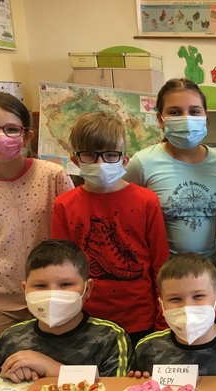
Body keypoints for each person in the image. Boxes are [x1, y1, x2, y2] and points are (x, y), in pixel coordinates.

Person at [52, 112, 170, 347]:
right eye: (89, 155)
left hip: (140, 318)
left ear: (124, 160)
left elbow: (160, 263)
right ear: (76, 160)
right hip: (85, 320)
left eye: (110, 155)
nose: (100, 163)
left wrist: (163, 317)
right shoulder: (64, 205)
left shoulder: (146, 201)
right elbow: (60, 270)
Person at [0, 92, 73, 333]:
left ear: (27, 135)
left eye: (12, 129)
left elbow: (74, 239)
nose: (1, 136)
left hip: (52, 298)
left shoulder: (53, 176)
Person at [0, 240, 132, 381]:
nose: (52, 294)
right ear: (25, 289)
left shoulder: (109, 338)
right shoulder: (11, 338)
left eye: (65, 284)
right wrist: (4, 379)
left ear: (88, 289)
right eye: (41, 286)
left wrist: (51, 369)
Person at [124, 78, 216, 264]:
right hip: (163, 272)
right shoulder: (141, 164)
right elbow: (126, 221)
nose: (186, 118)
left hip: (210, 269)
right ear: (160, 120)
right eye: (175, 112)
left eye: (194, 111)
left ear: (206, 118)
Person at [132, 252, 216, 376]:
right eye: (175, 299)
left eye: (198, 296)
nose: (187, 307)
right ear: (161, 306)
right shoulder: (147, 348)